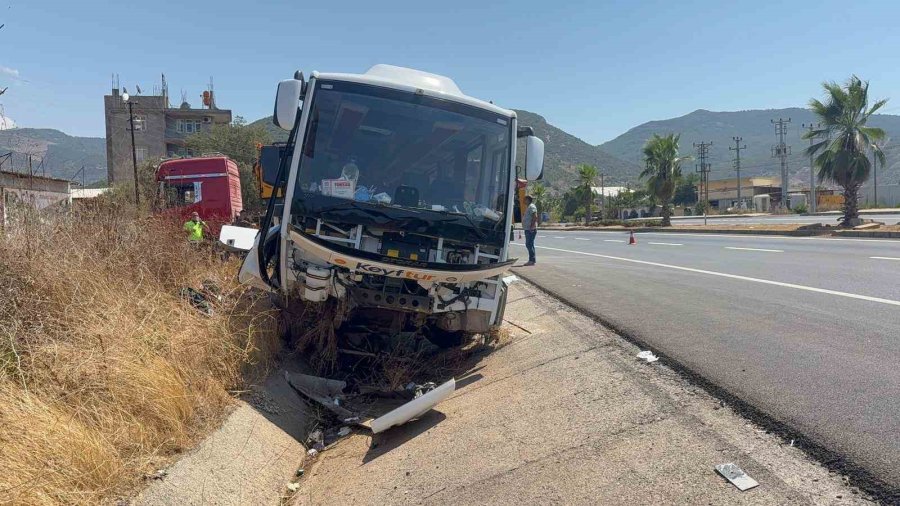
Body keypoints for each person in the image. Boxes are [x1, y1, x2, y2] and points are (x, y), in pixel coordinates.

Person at [523, 195, 538, 266]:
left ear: (528, 200)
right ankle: (532, 260)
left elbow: (535, 216)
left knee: (529, 244)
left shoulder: (532, 206)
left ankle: (532, 260)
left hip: (530, 229)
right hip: (528, 229)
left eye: (525, 199)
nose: (523, 201)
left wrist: (532, 226)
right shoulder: (528, 207)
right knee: (529, 244)